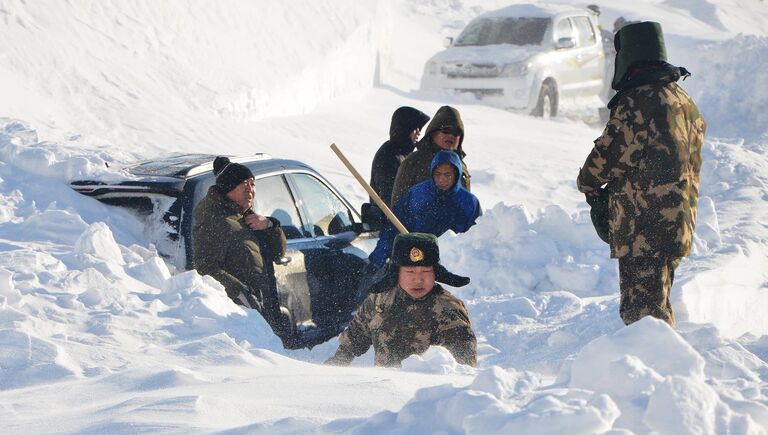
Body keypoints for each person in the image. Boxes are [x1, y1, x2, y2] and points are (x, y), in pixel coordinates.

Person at [576, 21, 707, 326]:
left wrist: (587, 183)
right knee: (657, 305)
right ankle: (665, 366)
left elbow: (606, 158)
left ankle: (655, 370)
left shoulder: (639, 101)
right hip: (676, 221)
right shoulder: (684, 101)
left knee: (643, 317)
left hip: (644, 225)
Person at [325, 233, 477, 367]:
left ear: (436, 273)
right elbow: (353, 340)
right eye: (410, 271)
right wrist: (333, 370)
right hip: (385, 390)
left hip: (429, 395)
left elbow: (464, 367)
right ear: (396, 273)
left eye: (426, 271)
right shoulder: (379, 301)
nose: (418, 279)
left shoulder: (448, 309)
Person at [192, 156, 293, 339]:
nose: (251, 190)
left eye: (252, 184)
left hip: (261, 310)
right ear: (229, 188)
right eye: (243, 184)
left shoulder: (245, 217)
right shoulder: (215, 221)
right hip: (237, 319)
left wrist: (270, 225)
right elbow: (205, 268)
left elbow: (278, 253)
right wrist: (242, 295)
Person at [369, 150, 481, 268]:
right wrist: (377, 259)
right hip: (412, 262)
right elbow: (392, 228)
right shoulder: (416, 195)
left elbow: (478, 239)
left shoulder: (469, 203)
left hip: (452, 266)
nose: (442, 179)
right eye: (438, 174)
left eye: (447, 175)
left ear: (456, 174)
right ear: (432, 173)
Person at [390, 105, 470, 205]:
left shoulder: (461, 166)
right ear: (433, 133)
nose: (451, 135)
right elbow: (398, 205)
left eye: (456, 132)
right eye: (446, 130)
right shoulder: (414, 161)